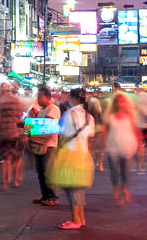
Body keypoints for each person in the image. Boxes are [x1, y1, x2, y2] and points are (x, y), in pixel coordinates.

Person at [55, 87, 94, 230]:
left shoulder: (69, 114)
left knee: (71, 189)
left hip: (70, 154)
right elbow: (89, 139)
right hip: (83, 155)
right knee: (78, 189)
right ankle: (81, 218)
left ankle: (75, 220)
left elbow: (62, 133)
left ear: (74, 98)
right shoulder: (89, 116)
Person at [25, 86, 60, 207]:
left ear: (47, 97)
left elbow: (48, 125)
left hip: (49, 145)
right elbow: (28, 125)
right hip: (37, 144)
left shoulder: (53, 109)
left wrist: (33, 121)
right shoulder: (38, 110)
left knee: (48, 172)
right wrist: (30, 119)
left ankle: (52, 196)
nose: (38, 99)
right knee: (40, 172)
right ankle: (45, 195)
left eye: (40, 96)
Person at [103, 91, 138, 204]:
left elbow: (134, 129)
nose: (120, 104)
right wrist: (104, 142)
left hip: (126, 145)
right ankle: (116, 188)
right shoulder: (110, 116)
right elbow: (105, 130)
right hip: (112, 145)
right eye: (118, 102)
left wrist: (139, 144)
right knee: (114, 170)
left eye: (122, 101)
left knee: (125, 171)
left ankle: (124, 190)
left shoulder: (130, 115)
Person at [0, 84, 26, 191]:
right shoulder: (16, 101)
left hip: (3, 133)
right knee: (16, 158)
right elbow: (21, 115)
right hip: (15, 133)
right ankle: (16, 180)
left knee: (5, 159)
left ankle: (5, 182)